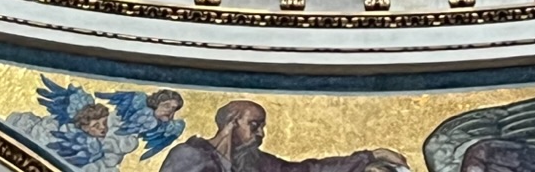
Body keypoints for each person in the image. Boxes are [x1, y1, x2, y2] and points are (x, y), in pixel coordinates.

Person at [160, 100, 405, 172]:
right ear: (232, 123)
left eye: (262, 127)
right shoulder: (188, 156)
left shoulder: (255, 162)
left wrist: (369, 157)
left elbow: (308, 171)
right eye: (254, 126)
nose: (261, 134)